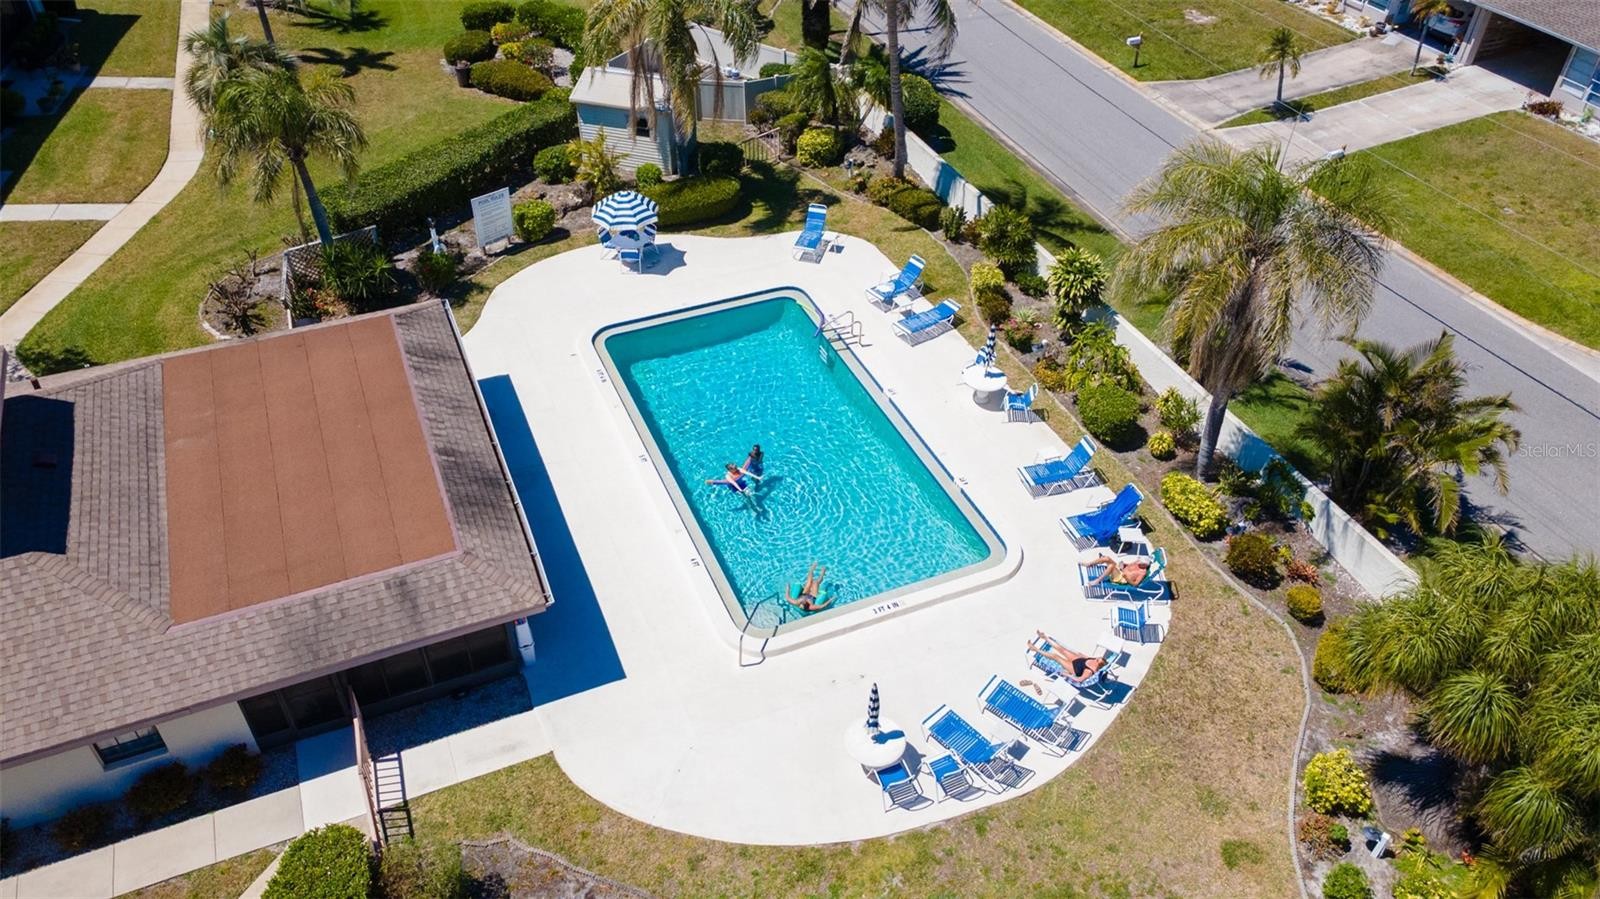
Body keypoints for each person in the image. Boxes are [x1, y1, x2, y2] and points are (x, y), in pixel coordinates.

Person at [1028, 631, 1105, 681]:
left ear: (1098, 664)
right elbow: (1086, 657)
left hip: (1074, 668)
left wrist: (1067, 675)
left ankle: (1035, 649)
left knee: (1056, 656)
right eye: (1098, 658)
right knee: (1062, 649)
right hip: (1079, 660)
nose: (1096, 658)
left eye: (1097, 660)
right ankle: (1045, 637)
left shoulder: (1089, 671)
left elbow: (1080, 679)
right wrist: (1080, 654)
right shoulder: (1095, 660)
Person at [1080, 553, 1151, 587]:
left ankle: (1096, 581)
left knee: (1111, 566)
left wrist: (1126, 577)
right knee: (1107, 558)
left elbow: (1135, 584)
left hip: (1121, 578)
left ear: (1145, 565)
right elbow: (1129, 565)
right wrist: (1123, 564)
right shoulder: (1137, 562)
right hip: (1120, 570)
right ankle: (1088, 564)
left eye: (1140, 562)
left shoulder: (1142, 573)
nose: (1138, 562)